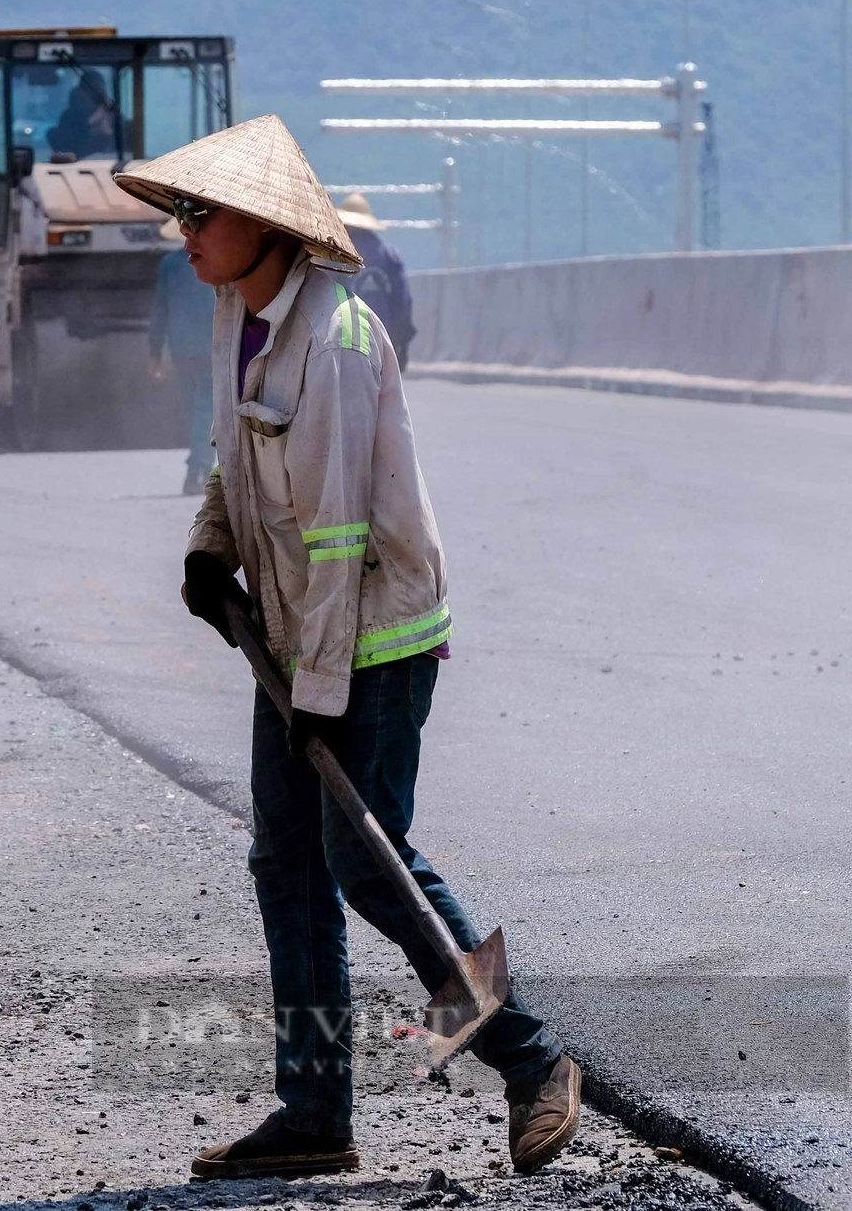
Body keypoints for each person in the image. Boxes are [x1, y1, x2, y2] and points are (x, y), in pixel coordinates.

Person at [113, 117, 580, 1181]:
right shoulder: (239, 312)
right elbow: (235, 462)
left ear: (266, 226)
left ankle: (534, 1059)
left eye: (200, 214)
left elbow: (333, 535)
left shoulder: (335, 341)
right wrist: (206, 546)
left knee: (367, 866)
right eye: (179, 212)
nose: (181, 233)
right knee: (283, 861)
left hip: (369, 637)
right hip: (296, 633)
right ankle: (313, 1113)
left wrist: (317, 686)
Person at [149, 240, 216, 493]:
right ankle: (199, 468)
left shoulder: (170, 263)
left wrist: (155, 350)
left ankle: (198, 466)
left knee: (193, 407)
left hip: (181, 347)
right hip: (212, 344)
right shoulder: (218, 259)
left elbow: (160, 309)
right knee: (206, 408)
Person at [336, 193, 417, 372]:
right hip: (382, 341)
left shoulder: (335, 254)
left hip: (342, 342)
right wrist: (402, 343)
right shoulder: (389, 255)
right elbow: (403, 301)